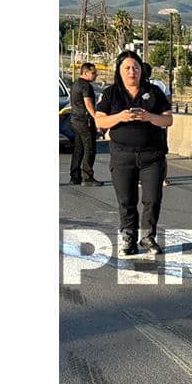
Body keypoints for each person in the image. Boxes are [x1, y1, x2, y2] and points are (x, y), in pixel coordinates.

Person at [95, 51, 173, 256]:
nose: (132, 72)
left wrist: (149, 117)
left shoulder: (154, 91)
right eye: (127, 68)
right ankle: (128, 237)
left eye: (136, 67)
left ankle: (148, 237)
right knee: (126, 200)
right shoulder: (111, 93)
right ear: (119, 71)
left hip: (152, 157)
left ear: (141, 70)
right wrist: (120, 116)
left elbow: (168, 120)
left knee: (152, 199)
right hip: (122, 156)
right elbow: (100, 121)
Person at [68, 63, 103, 186]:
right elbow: (88, 103)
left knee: (78, 148)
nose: (96, 75)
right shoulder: (86, 86)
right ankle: (87, 177)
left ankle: (75, 176)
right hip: (84, 120)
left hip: (75, 120)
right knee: (89, 148)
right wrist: (96, 118)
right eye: (93, 73)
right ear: (85, 72)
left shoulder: (76, 84)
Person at [142, 62, 173, 186]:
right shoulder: (160, 85)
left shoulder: (138, 86)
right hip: (160, 123)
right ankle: (163, 178)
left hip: (144, 124)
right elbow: (168, 102)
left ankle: (142, 178)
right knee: (161, 152)